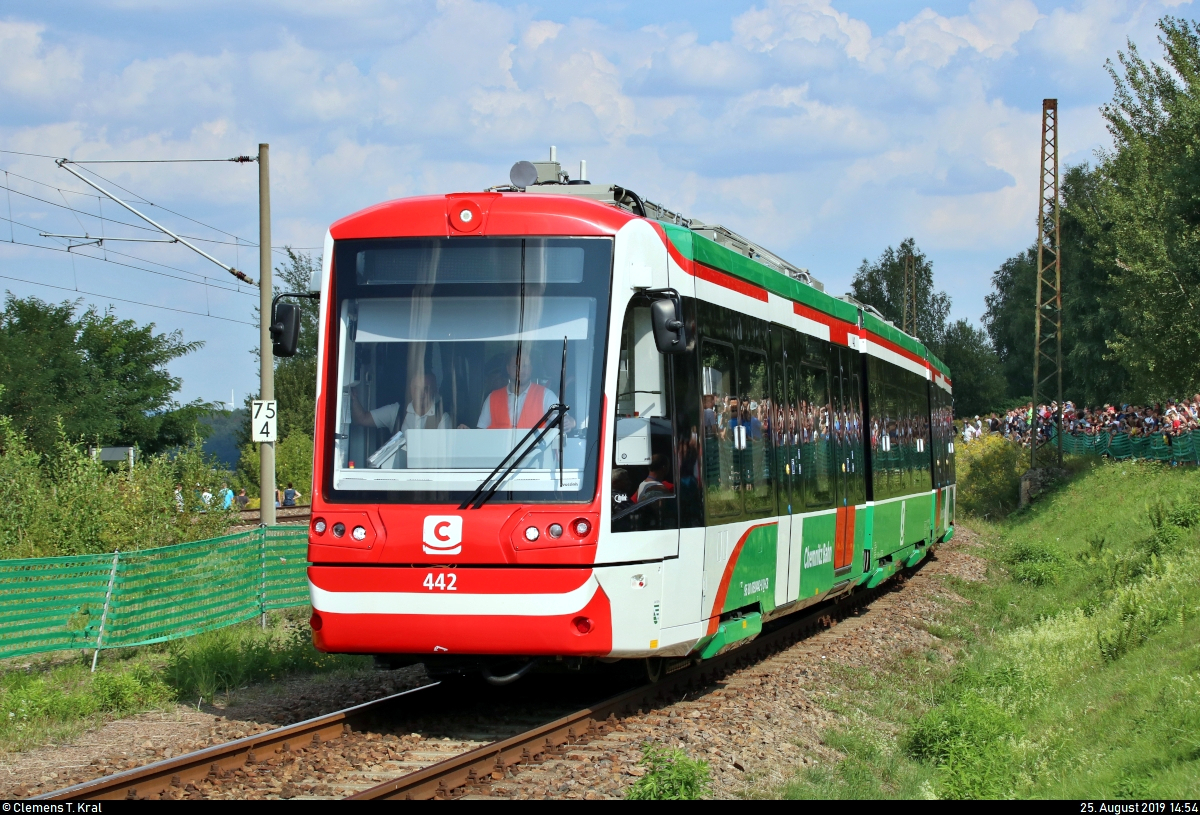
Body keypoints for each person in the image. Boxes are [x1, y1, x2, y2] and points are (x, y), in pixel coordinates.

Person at [466, 348, 574, 431]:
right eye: (516, 367)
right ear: (508, 369)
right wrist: (467, 433)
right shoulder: (492, 398)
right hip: (500, 458)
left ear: (531, 368)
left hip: (534, 458)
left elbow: (565, 420)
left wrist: (570, 422)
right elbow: (481, 432)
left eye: (525, 366)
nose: (521, 371)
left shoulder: (546, 395)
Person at [352, 371, 450, 433]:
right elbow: (361, 419)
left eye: (426, 389)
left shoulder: (442, 417)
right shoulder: (396, 411)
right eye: (417, 388)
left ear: (434, 390)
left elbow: (443, 454)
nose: (421, 393)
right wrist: (353, 397)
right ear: (411, 389)